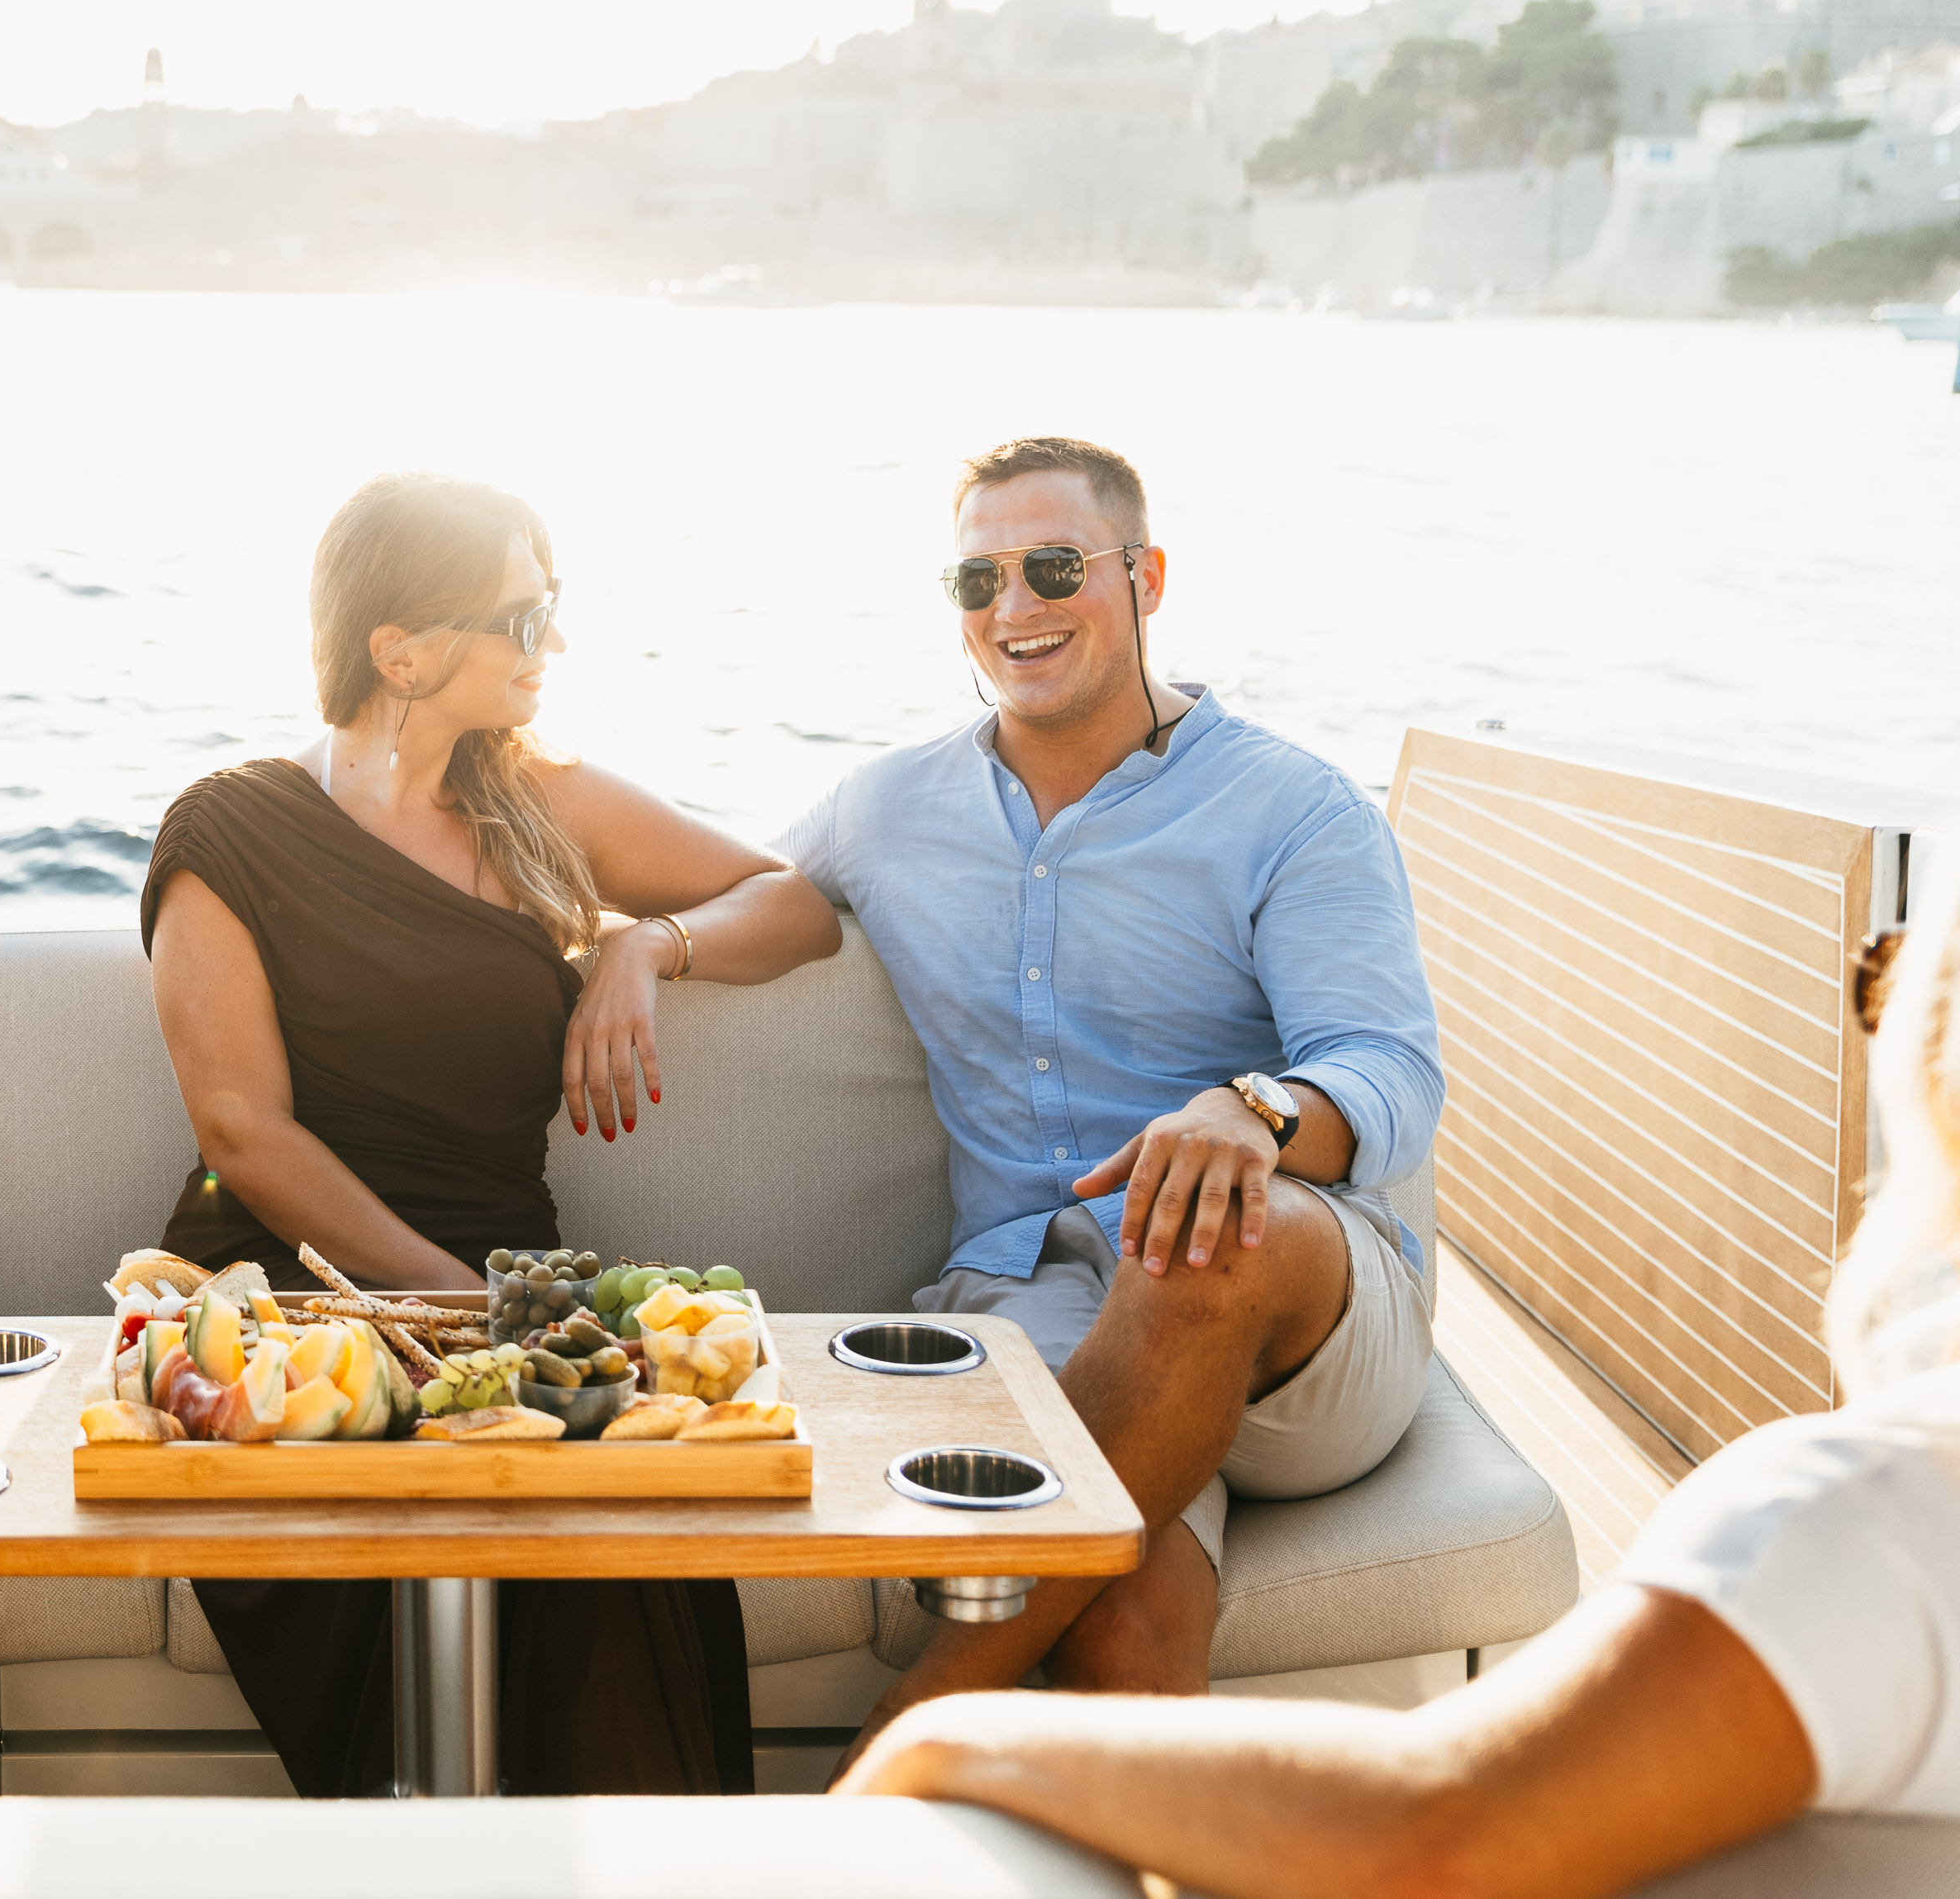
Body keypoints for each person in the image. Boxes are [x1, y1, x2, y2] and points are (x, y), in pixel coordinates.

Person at [843, 868, 1960, 1895]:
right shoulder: (1870, 1513)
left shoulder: (1866, 1515)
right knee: (1130, 1596)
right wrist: (676, 944)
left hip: (1294, 1291)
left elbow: (1439, 1833)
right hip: (1043, 1289)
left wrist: (941, 1737)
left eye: (1894, 975)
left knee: (1207, 1240)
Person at [144, 472, 844, 1794]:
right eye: (522, 619)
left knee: (625, 1563)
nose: (554, 646)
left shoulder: (541, 803)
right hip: (304, 1296)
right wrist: (467, 1308)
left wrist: (647, 947)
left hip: (505, 1296)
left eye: (555, 609)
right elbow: (244, 1130)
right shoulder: (227, 831)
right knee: (545, 1547)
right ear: (398, 651)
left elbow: (796, 904)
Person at [773, 435, 1444, 1745]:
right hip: (1054, 1321)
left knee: (1198, 1227)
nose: (1014, 608)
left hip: (1293, 1320)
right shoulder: (885, 805)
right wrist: (642, 945)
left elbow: (1391, 1068)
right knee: (1124, 1632)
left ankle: (919, 1720)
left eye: (1052, 566)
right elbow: (742, 891)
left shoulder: (1297, 809)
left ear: (1144, 577)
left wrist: (1243, 1111)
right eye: (978, 582)